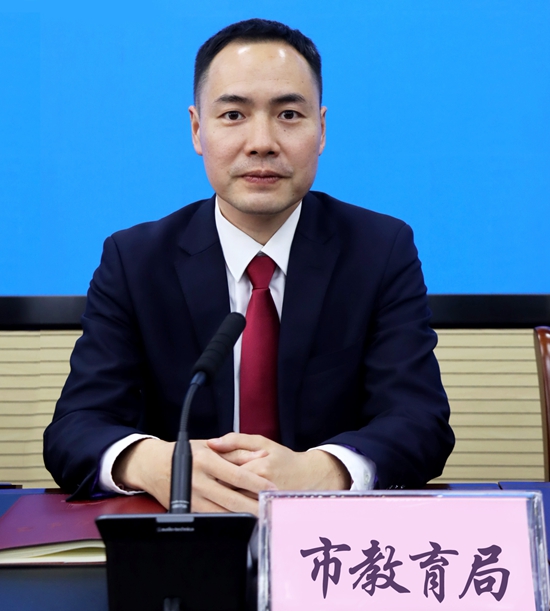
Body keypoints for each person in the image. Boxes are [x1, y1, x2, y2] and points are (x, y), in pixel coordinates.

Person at [43, 18, 454, 514]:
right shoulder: (135, 260)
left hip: (329, 535)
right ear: (198, 130)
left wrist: (322, 470)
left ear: (321, 129)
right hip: (186, 535)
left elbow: (420, 422)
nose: (262, 142)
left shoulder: (379, 250)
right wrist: (153, 462)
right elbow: (75, 427)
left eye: (289, 115)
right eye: (234, 114)